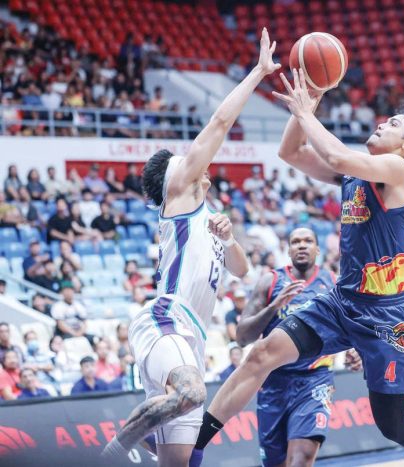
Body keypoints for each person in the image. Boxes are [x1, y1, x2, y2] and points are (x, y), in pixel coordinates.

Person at [191, 68, 404, 467]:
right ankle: (195, 446)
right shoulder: (354, 173)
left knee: (392, 426)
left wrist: (307, 113)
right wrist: (303, 110)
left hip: (386, 316)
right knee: (260, 354)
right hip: (341, 301)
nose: (382, 123)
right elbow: (291, 154)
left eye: (394, 124)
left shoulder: (399, 172)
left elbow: (334, 154)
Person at [101, 28, 277, 465]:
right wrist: (257, 72)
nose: (199, 162)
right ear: (175, 178)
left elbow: (240, 271)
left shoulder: (207, 216)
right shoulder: (178, 195)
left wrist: (229, 237)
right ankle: (111, 451)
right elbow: (218, 124)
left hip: (192, 335)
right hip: (166, 319)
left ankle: (137, 439)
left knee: (181, 461)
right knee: (193, 393)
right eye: (187, 160)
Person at [234, 227, 341, 466]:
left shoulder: (332, 282)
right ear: (288, 249)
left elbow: (347, 326)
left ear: (317, 249)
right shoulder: (270, 282)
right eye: (296, 241)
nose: (302, 245)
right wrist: (274, 305)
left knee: (301, 457)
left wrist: (355, 351)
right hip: (274, 381)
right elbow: (242, 337)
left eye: (308, 241)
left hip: (315, 378)